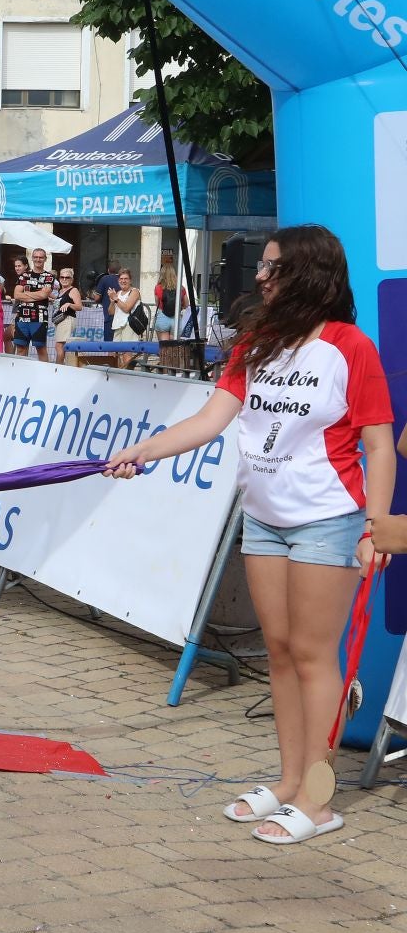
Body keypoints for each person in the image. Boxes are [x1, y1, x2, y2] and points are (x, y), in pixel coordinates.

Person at [107, 226, 395, 846]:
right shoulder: (255, 345)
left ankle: (319, 801)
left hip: (328, 519)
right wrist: (144, 451)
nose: (260, 278)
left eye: (272, 268)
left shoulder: (351, 348)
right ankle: (290, 784)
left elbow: (378, 441)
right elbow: (211, 419)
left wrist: (374, 525)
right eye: (262, 267)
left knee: (317, 657)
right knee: (282, 653)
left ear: (309, 276)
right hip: (262, 517)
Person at [11, 248, 57, 359]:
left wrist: (26, 294)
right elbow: (17, 295)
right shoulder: (24, 276)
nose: (38, 259)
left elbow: (44, 295)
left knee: (40, 349)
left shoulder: (49, 277)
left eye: (41, 257)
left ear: (45, 259)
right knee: (21, 349)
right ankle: (21, 374)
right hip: (22, 317)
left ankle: (44, 375)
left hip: (40, 318)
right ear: (32, 258)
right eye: (36, 257)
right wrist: (38, 294)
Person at [48, 265, 83, 363]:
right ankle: (61, 366)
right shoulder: (61, 291)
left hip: (67, 319)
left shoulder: (73, 290)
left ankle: (59, 367)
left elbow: (79, 307)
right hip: (59, 320)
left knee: (59, 346)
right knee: (60, 346)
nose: (64, 279)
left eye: (67, 277)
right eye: (62, 277)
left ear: (72, 279)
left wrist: (69, 304)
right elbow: (59, 303)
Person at [110, 269, 144, 344]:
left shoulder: (134, 291)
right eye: (121, 279)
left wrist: (116, 298)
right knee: (115, 352)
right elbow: (111, 312)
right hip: (117, 325)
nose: (123, 281)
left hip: (129, 325)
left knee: (127, 353)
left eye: (126, 279)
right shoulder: (118, 293)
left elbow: (126, 308)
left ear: (130, 281)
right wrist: (112, 302)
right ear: (118, 281)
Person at [155, 253, 182, 342]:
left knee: (164, 349)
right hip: (176, 319)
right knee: (175, 349)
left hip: (162, 318)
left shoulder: (158, 288)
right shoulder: (181, 288)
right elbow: (186, 304)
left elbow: (157, 304)